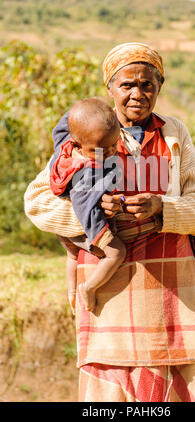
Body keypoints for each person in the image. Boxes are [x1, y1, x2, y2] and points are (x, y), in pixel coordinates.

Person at [24, 42, 195, 402]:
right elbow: (37, 203)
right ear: (110, 88)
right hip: (112, 296)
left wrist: (163, 209)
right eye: (127, 85)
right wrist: (93, 213)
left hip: (177, 291)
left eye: (147, 85)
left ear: (159, 87)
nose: (138, 94)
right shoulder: (87, 130)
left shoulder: (174, 133)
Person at [49, 97, 126, 313]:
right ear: (78, 145)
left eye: (113, 144)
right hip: (83, 225)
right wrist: (101, 236)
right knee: (117, 253)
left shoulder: (65, 145)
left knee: (72, 254)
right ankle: (89, 288)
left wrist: (92, 110)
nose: (109, 152)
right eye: (99, 150)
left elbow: (62, 126)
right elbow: (86, 209)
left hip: (63, 229)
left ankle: (72, 295)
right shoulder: (89, 174)